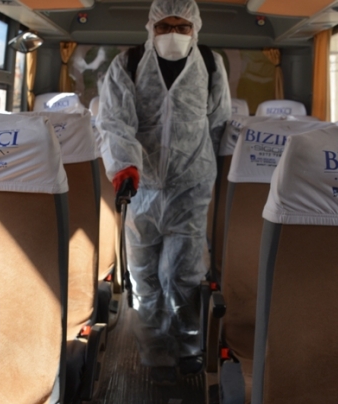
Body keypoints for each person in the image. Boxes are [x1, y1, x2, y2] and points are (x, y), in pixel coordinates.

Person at [97, 0, 231, 384]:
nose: (174, 34)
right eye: (165, 26)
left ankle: (187, 347)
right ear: (151, 27)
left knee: (182, 273)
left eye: (182, 26)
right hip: (141, 184)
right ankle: (154, 350)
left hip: (191, 183)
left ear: (195, 29)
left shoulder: (210, 63)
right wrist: (125, 165)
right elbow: (114, 121)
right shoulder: (128, 63)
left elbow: (218, 118)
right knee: (144, 274)